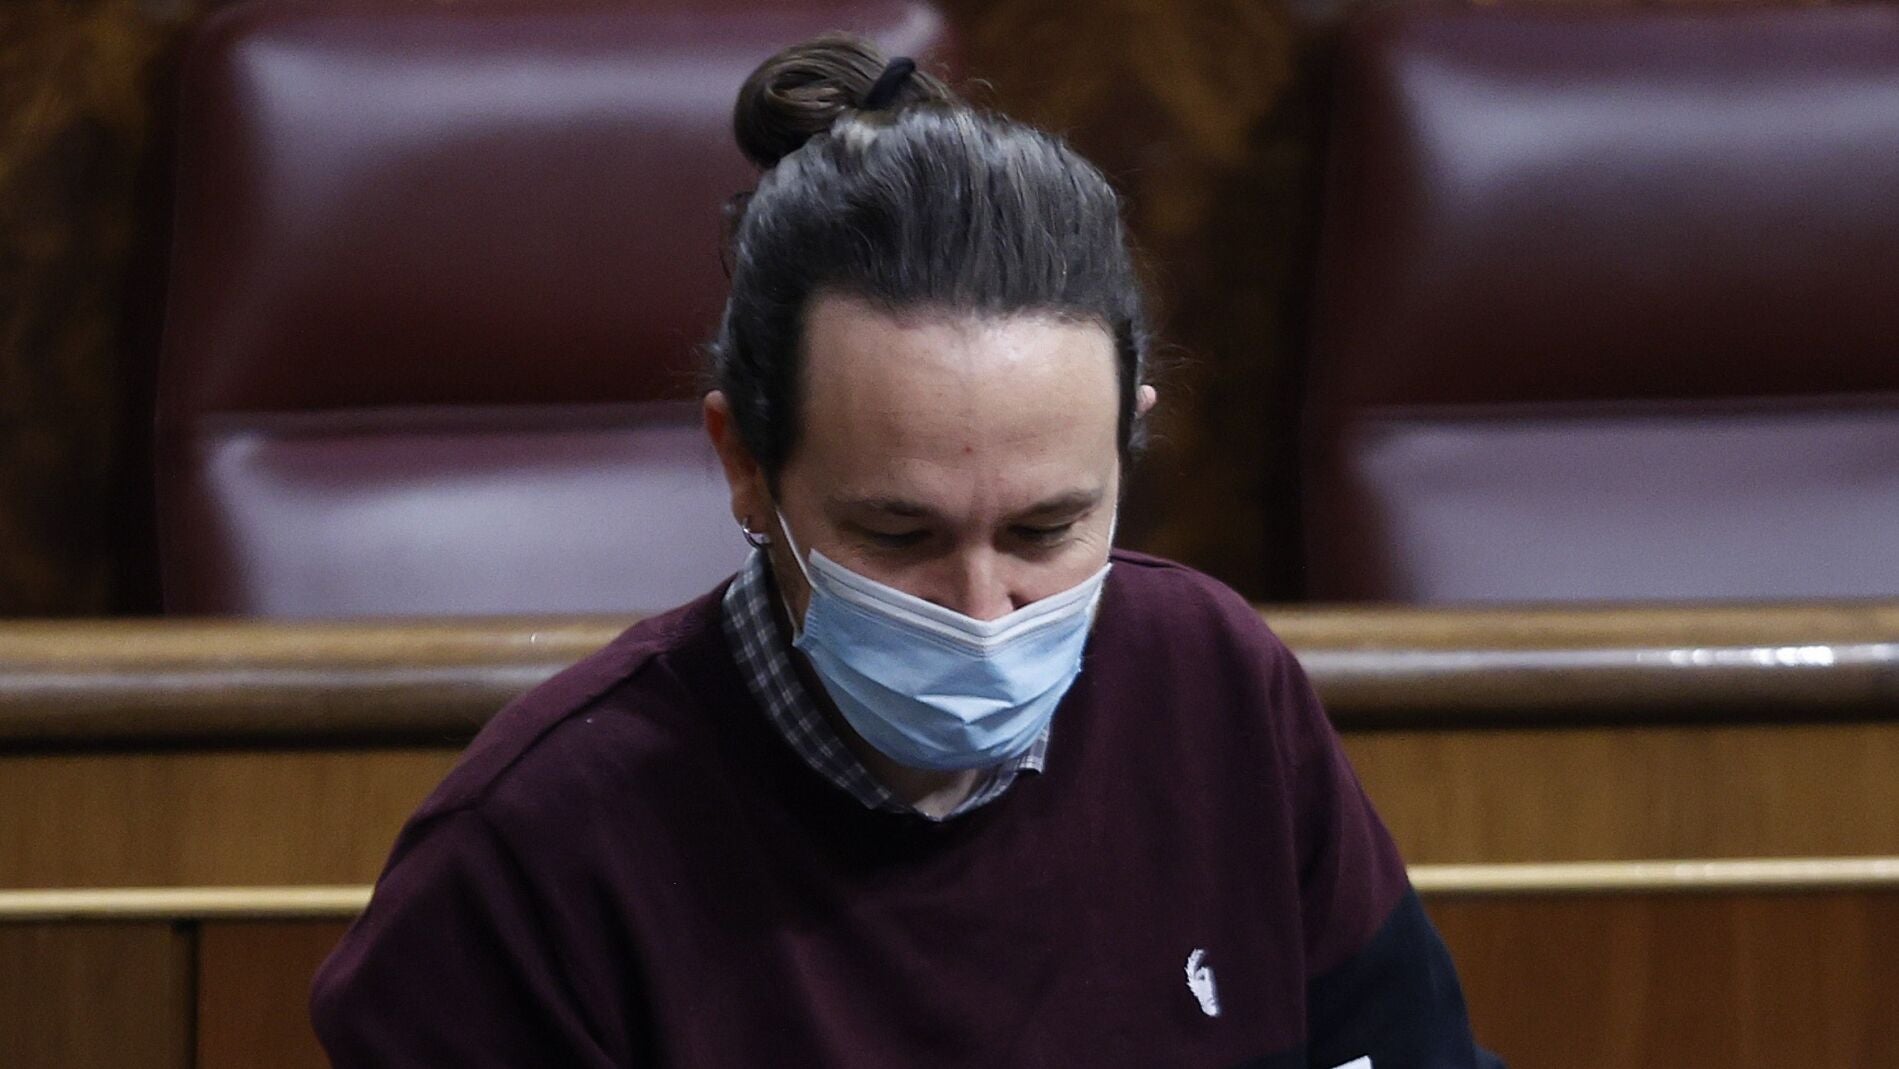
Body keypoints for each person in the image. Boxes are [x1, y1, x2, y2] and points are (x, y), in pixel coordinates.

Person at [311, 33, 1500, 1068]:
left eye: (1046, 529)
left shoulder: (1213, 687)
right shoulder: (535, 851)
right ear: (744, 461)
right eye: (899, 533)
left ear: (1128, 442)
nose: (982, 612)